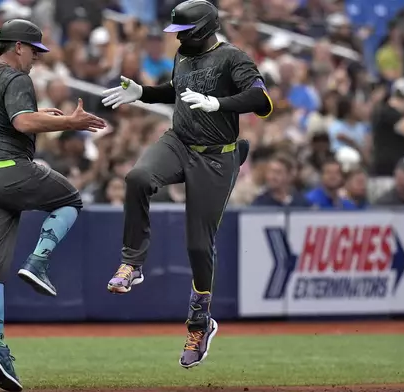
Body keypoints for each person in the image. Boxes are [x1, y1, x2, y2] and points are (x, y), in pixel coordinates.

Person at [101, 0, 271, 369]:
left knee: (197, 243)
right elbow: (176, 91)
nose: (176, 38)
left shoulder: (232, 57)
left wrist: (218, 103)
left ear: (204, 29)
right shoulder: (183, 57)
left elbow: (262, 100)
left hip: (216, 155)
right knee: (137, 177)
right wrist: (143, 93)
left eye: (182, 31)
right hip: (178, 141)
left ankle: (199, 323)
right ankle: (133, 263)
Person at [0, 19, 106, 391]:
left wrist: (49, 118)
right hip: (9, 171)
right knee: (71, 200)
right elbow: (23, 122)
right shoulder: (16, 77)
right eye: (35, 50)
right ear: (18, 47)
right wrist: (70, 123)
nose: (37, 59)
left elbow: (8, 122)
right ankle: (39, 261)